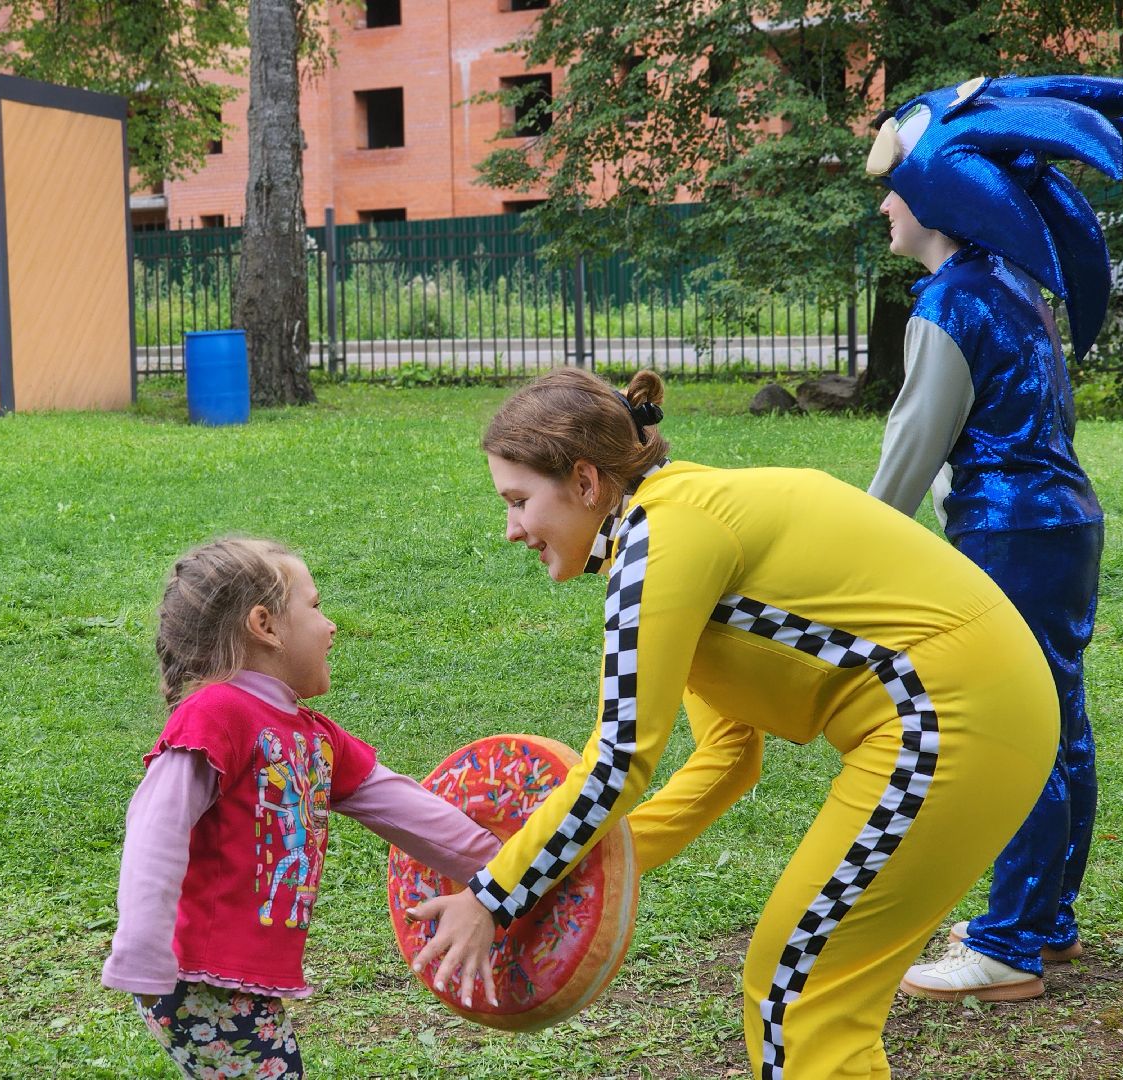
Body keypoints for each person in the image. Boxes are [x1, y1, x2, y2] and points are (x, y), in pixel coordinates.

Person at [408, 367, 1057, 1080]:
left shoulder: (667, 533)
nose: (511, 530)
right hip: (975, 709)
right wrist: (588, 873)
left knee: (799, 990)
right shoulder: (673, 521)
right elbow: (726, 756)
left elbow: (620, 757)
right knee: (800, 985)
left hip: (947, 718)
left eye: (519, 500)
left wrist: (496, 896)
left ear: (587, 482)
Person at [863, 74, 1123, 1001]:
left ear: (937, 193)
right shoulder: (1013, 286)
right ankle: (1045, 922)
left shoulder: (949, 304)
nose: (884, 205)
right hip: (1063, 526)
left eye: (893, 187)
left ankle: (1008, 944)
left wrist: (849, 547)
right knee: (1061, 726)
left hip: (1005, 534)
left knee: (1015, 732)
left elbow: (910, 453)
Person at [101, 536, 501, 1079]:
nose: (330, 625)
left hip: (232, 979)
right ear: (264, 625)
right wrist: (143, 950)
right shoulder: (216, 713)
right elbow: (156, 827)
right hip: (193, 972)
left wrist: (507, 866)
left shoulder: (314, 737)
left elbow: (406, 811)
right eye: (314, 607)